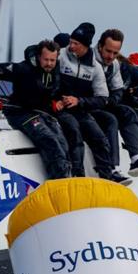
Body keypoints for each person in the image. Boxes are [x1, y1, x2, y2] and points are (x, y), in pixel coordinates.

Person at [0, 39, 72, 179]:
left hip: (42, 113)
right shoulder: (23, 68)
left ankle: (67, 180)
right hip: (20, 113)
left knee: (63, 144)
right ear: (38, 57)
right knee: (50, 140)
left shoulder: (56, 70)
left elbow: (57, 90)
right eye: (46, 59)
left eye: (52, 60)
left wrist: (58, 101)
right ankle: (60, 181)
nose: (49, 64)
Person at [54, 23, 127, 184]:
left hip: (80, 108)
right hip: (59, 108)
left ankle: (107, 175)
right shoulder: (61, 56)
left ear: (85, 46)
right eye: (70, 42)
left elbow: (102, 98)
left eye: (75, 43)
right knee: (74, 131)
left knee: (99, 137)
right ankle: (78, 176)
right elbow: (39, 61)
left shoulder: (95, 66)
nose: (70, 46)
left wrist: (79, 101)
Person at [92, 29, 138, 177]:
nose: (110, 56)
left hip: (105, 103)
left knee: (127, 112)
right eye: (108, 51)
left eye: (115, 53)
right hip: (86, 104)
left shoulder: (115, 65)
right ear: (99, 46)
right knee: (111, 120)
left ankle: (137, 159)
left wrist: (118, 99)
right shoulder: (88, 59)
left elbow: (118, 89)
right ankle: (111, 169)